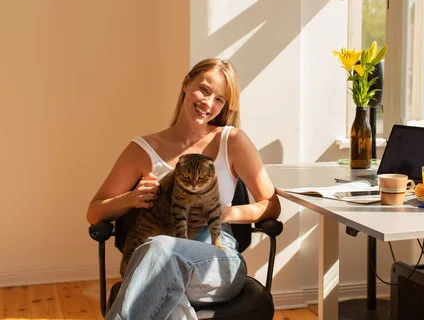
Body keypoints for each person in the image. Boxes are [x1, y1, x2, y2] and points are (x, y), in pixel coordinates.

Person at [86, 58, 281, 319]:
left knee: (161, 251)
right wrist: (131, 199)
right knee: (163, 277)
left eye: (220, 100)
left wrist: (223, 213)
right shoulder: (141, 150)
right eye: (204, 90)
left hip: (216, 262)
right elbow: (94, 212)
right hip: (153, 265)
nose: (208, 103)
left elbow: (271, 204)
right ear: (186, 82)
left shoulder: (231, 141)